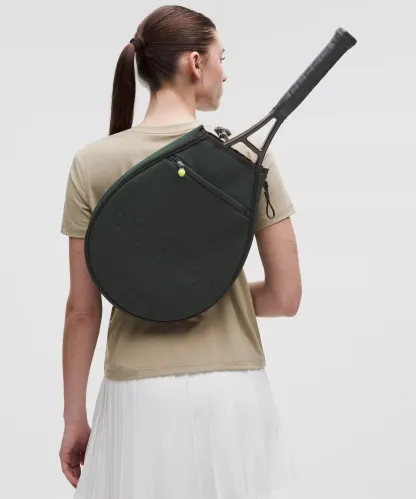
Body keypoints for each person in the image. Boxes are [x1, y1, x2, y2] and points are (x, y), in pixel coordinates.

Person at [59, 5, 302, 499]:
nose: (224, 73)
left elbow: (83, 311)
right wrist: (206, 290)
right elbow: (286, 297)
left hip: (135, 396)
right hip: (230, 393)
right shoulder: (248, 159)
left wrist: (74, 418)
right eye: (220, 58)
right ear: (195, 62)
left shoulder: (91, 163)